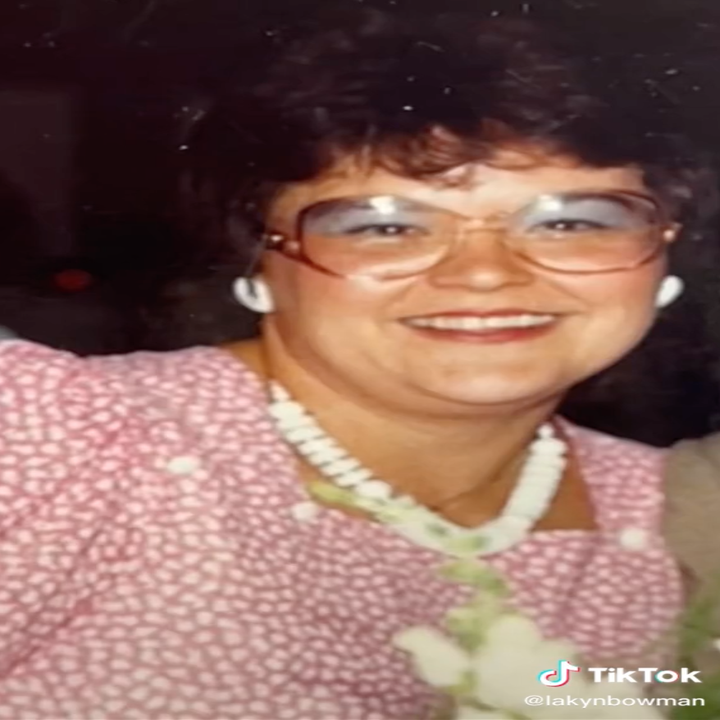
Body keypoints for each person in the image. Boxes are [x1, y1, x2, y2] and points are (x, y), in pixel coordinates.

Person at [0, 9, 715, 719]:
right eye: (385, 226)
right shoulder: (60, 445)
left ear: (663, 255)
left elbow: (630, 696)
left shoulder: (682, 526)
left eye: (569, 220)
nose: (486, 274)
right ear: (259, 262)